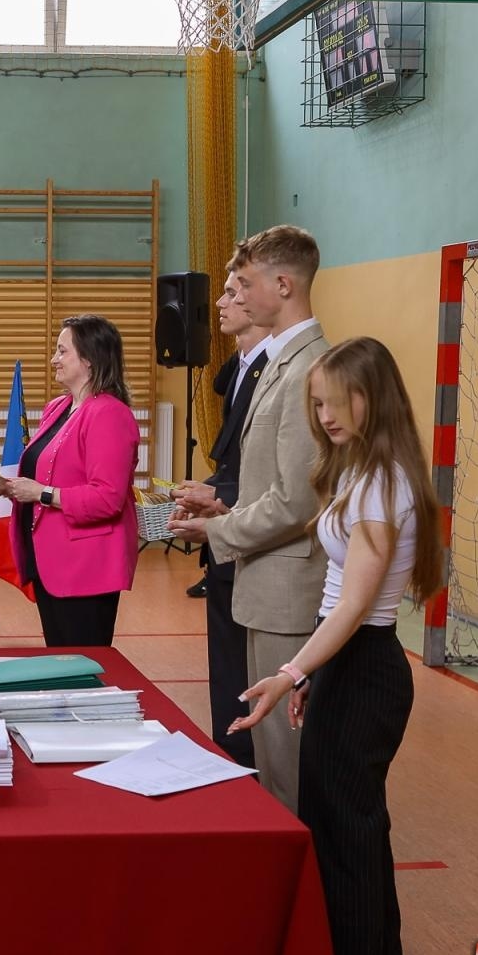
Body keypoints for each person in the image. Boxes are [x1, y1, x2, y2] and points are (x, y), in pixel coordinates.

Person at [230, 336, 443, 955]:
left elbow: (354, 607)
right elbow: (337, 602)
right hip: (345, 664)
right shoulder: (357, 469)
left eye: (336, 401)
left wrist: (294, 669)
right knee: (351, 835)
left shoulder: (383, 483)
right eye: (317, 403)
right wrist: (316, 671)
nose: (324, 415)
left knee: (346, 843)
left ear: (372, 397)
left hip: (367, 668)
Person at [167, 224, 329, 813]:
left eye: (245, 284)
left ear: (282, 285)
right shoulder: (279, 362)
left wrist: (216, 526)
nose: (230, 296)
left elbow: (295, 502)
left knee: (286, 762)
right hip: (261, 580)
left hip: (286, 584)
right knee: (264, 749)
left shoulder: (311, 366)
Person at [0, 315, 139, 647]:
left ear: (89, 359)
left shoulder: (109, 414)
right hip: (50, 561)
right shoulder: (58, 407)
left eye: (62, 351)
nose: (53, 360)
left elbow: (107, 498)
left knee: (84, 666)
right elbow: (47, 473)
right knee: (63, 660)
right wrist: (8, 486)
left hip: (86, 567)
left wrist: (43, 494)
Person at [196, 271, 271, 768]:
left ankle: (252, 759)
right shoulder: (240, 363)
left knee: (251, 666)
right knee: (226, 665)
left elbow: (268, 474)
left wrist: (220, 499)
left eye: (231, 293)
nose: (220, 304)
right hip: (227, 531)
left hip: (253, 537)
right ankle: (233, 753)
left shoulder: (277, 367)